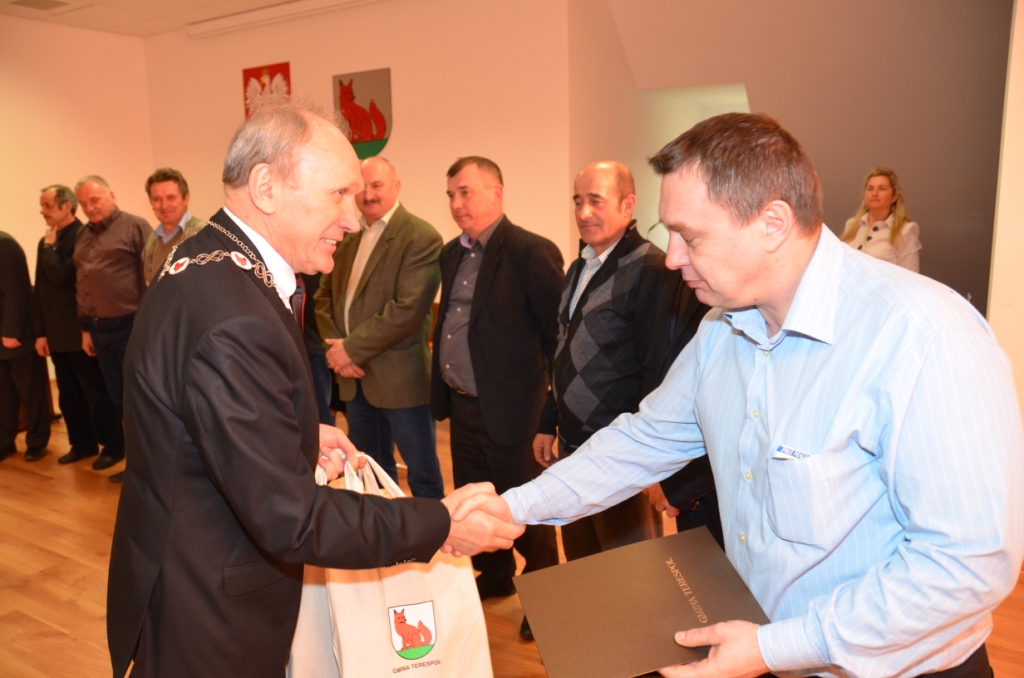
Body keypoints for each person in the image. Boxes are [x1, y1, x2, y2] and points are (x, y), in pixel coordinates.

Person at [451, 113, 1023, 678]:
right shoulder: (721, 329)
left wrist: (778, 647)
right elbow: (645, 439)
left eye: (690, 236)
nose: (672, 257)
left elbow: (965, 563)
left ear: (772, 223)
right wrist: (516, 506)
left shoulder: (925, 336)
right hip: (761, 647)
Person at [105, 103, 520, 678]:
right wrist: (440, 523)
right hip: (211, 613)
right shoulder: (234, 314)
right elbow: (290, 518)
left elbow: (201, 422)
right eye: (338, 194)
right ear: (267, 187)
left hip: (185, 577)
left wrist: (296, 432)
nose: (352, 219)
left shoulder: (207, 261)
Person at [432, 156, 563, 638]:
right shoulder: (451, 253)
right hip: (463, 405)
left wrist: (549, 414)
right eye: (451, 195)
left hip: (514, 411)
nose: (456, 203)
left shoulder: (531, 251)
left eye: (465, 192)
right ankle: (496, 575)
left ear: (497, 193)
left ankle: (546, 598)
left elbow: (557, 338)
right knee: (476, 499)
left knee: (526, 506)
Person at [534, 160, 665, 565]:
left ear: (628, 205)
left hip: (620, 454)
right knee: (583, 567)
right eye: (578, 201)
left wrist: (653, 458)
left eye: (596, 200)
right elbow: (563, 349)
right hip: (574, 449)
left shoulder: (652, 268)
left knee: (631, 571)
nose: (584, 212)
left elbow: (657, 369)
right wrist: (547, 421)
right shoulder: (579, 267)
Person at [315, 156, 445, 498]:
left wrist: (349, 350)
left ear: (396, 186)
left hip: (401, 379)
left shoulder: (421, 236)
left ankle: (432, 532)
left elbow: (407, 309)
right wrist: (337, 351)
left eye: (377, 185)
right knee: (370, 474)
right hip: (354, 380)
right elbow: (323, 297)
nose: (369, 195)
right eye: (362, 187)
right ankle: (385, 531)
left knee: (423, 476)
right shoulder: (347, 235)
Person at [33, 185, 124, 466]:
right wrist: (40, 332)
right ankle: (82, 444)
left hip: (78, 329)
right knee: (69, 395)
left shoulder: (82, 236)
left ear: (66, 207)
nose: (42, 211)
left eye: (48, 206)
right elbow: (41, 289)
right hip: (56, 332)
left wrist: (49, 248)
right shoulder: (46, 240)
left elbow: (62, 277)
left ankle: (113, 446)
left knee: (95, 394)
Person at [73, 175, 151, 478]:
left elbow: (151, 277)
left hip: (130, 327)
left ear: (112, 195)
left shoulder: (135, 226)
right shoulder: (82, 234)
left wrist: (148, 328)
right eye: (83, 203)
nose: (89, 208)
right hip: (98, 330)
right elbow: (81, 282)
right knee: (118, 400)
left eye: (94, 200)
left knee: (138, 400)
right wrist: (85, 329)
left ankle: (149, 469)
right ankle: (135, 465)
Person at [639, 272, 720, 547]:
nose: (672, 258)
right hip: (679, 467)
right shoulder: (668, 277)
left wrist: (682, 484)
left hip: (717, 484)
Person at [0, 231, 50, 462]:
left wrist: (11, 331)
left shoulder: (5, 246)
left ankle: (37, 441)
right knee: (3, 395)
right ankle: (4, 442)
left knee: (32, 393)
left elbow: (16, 292)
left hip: (16, 335)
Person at [840, 166, 921, 272]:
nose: (874, 194)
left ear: (894, 197)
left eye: (882, 189)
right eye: (870, 188)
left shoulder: (905, 231)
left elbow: (910, 275)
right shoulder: (852, 225)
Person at [140, 167, 207, 284]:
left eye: (170, 197)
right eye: (157, 199)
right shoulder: (151, 242)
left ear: (186, 199)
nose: (164, 205)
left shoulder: (204, 235)